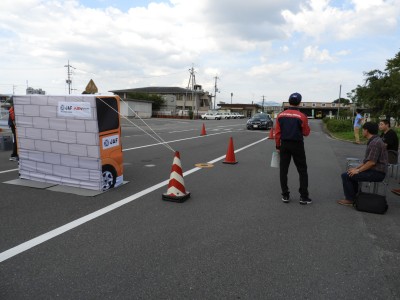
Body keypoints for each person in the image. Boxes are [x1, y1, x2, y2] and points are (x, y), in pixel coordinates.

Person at [338, 122, 388, 206]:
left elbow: (372, 162)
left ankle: (350, 199)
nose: (362, 131)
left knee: (346, 176)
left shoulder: (375, 143)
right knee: (350, 173)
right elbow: (367, 162)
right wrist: (356, 169)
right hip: (374, 170)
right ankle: (356, 197)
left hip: (377, 173)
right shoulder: (375, 140)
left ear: (366, 131)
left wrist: (358, 171)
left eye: (363, 130)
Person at [275, 92, 312, 205]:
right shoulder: (302, 116)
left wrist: (278, 146)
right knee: (302, 170)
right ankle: (303, 197)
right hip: (297, 145)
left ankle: (285, 195)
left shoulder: (280, 115)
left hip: (284, 144)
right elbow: (306, 133)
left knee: (283, 170)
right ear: (299, 102)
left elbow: (277, 133)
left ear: (289, 101)